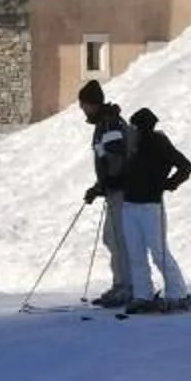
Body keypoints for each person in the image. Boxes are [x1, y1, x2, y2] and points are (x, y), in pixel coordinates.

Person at [114, 106, 191, 315]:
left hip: (151, 206)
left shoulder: (159, 143)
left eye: (135, 127)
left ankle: (178, 293)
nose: (132, 130)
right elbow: (124, 174)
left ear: (144, 127)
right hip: (129, 205)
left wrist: (169, 184)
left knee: (159, 251)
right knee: (136, 253)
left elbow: (185, 166)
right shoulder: (132, 146)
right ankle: (143, 295)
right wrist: (104, 185)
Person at [76, 80, 136, 309]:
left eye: (83, 105)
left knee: (119, 239)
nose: (83, 110)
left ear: (91, 104)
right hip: (113, 189)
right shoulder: (105, 123)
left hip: (120, 190)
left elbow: (115, 157)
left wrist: (107, 183)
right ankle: (120, 284)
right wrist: (99, 186)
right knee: (112, 237)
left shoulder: (109, 125)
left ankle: (126, 288)